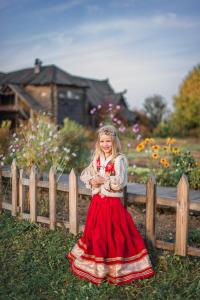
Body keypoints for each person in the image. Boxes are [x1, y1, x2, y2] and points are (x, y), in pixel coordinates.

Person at [66, 125, 155, 285]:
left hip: (112, 203)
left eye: (108, 141)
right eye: (102, 141)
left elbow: (120, 181)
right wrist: (93, 179)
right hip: (97, 202)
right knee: (96, 231)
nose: (105, 144)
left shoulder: (119, 159)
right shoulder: (97, 158)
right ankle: (98, 263)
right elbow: (87, 173)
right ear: (98, 143)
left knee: (114, 232)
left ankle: (115, 265)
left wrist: (103, 180)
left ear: (114, 141)